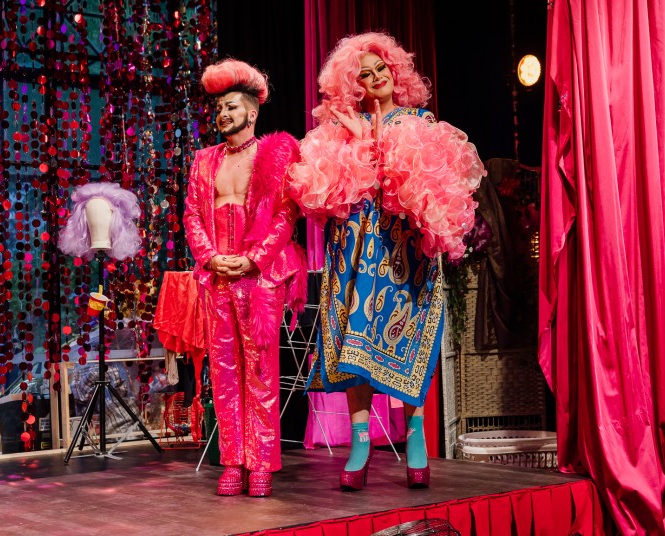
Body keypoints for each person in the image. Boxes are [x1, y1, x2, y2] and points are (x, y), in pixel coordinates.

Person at [288, 32, 484, 491]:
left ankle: (415, 439)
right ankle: (360, 444)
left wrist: (375, 141)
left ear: (396, 72)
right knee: (354, 344)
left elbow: (418, 187)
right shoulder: (338, 130)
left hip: (403, 254)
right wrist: (357, 142)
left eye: (381, 70)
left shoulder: (419, 122)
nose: (375, 79)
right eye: (364, 74)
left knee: (407, 340)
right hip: (355, 252)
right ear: (351, 84)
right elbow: (325, 195)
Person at [183, 58, 307, 497]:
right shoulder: (204, 161)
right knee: (224, 376)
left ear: (252, 112)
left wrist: (252, 259)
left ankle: (262, 465)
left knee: (261, 373)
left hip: (259, 281)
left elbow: (285, 216)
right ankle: (233, 461)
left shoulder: (275, 153)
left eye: (231, 107)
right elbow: (193, 216)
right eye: (219, 108)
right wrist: (211, 257)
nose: (223, 114)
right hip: (217, 279)